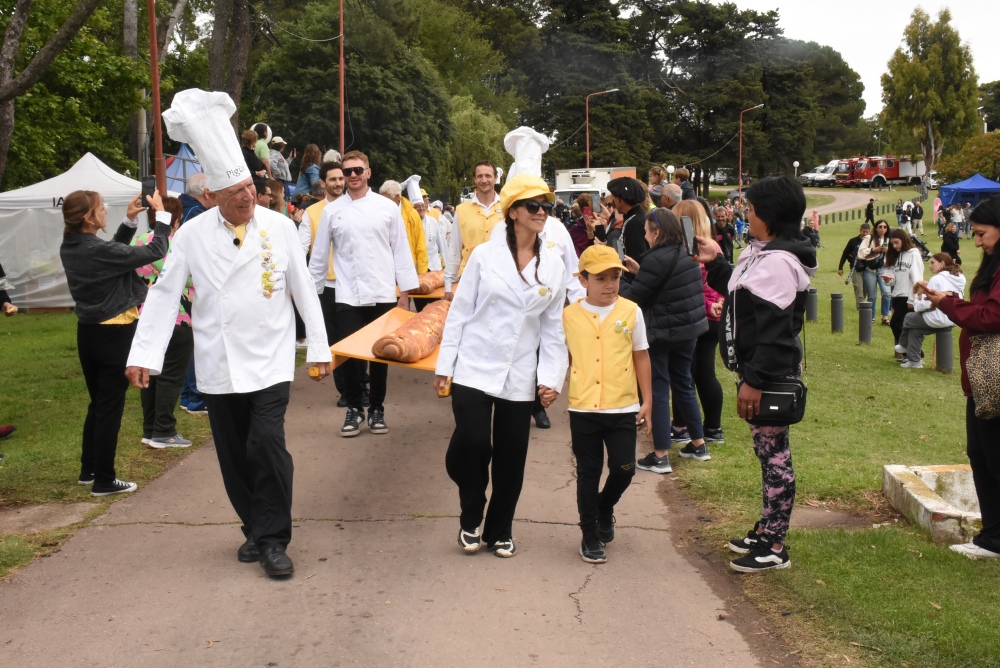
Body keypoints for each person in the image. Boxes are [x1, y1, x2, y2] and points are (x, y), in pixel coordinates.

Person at [126, 88, 332, 578]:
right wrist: (144, 355)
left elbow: (304, 291)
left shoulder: (278, 228)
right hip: (219, 364)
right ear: (212, 196)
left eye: (249, 189)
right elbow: (162, 293)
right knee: (235, 455)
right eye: (234, 193)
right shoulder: (192, 235)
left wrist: (320, 348)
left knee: (266, 443)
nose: (246, 198)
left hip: (270, 359)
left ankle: (274, 539)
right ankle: (254, 531)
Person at [434, 173, 568, 558]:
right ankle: (471, 511)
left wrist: (551, 378)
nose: (542, 212)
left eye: (547, 206)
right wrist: (446, 364)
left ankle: (501, 527)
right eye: (534, 206)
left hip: (520, 371)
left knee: (512, 456)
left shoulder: (554, 263)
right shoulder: (484, 256)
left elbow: (553, 327)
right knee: (473, 443)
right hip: (474, 363)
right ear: (513, 213)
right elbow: (459, 313)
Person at [696, 175, 816, 572]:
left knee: (775, 456)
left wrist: (754, 381)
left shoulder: (779, 262)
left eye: (750, 209)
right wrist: (716, 264)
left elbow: (777, 333)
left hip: (770, 373)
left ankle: (774, 544)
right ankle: (766, 527)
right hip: (760, 369)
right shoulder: (765, 251)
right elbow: (742, 294)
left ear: (770, 216)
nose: (745, 215)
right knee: (767, 453)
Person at [60, 189, 170, 495]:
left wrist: (128, 221)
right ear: (88, 217)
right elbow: (155, 250)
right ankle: (105, 480)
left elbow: (109, 256)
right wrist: (161, 216)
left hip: (89, 333)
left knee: (99, 404)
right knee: (110, 408)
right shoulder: (93, 249)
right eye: (101, 208)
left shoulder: (71, 245)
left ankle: (89, 469)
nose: (105, 211)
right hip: (114, 333)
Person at [308, 150, 419, 437]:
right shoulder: (332, 210)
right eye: (348, 172)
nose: (353, 176)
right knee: (349, 355)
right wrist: (313, 295)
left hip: (383, 292)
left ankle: (378, 408)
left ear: (368, 172)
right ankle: (354, 407)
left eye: (358, 170)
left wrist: (404, 294)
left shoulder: (387, 208)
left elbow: (401, 252)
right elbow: (319, 257)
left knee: (381, 356)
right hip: (346, 294)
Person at [922, 195, 1000, 559]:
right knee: (980, 454)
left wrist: (947, 303)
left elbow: (989, 317)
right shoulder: (991, 265)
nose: (977, 241)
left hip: (995, 380)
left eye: (983, 234)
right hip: (982, 380)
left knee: (994, 456)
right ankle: (992, 536)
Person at [564, 245, 652, 563]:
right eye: (600, 278)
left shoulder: (631, 311)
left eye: (615, 277)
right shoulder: (570, 315)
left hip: (622, 405)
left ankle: (604, 507)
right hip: (584, 407)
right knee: (589, 471)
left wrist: (648, 400)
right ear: (583, 280)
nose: (609, 285)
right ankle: (589, 534)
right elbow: (563, 355)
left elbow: (640, 354)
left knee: (625, 468)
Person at [620, 207, 708, 472]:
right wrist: (640, 272)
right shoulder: (686, 253)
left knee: (658, 388)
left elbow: (635, 296)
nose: (645, 236)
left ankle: (660, 454)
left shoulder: (656, 259)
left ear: (656, 231)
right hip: (688, 331)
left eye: (646, 230)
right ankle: (698, 442)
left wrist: (621, 278)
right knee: (683, 383)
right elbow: (663, 285)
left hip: (662, 332)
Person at [131, 196, 195, 448]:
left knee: (149, 372)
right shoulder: (176, 245)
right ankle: (164, 430)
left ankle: (150, 429)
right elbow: (190, 281)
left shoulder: (138, 242)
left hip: (143, 316)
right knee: (170, 375)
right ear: (176, 220)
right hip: (176, 316)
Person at [669, 200, 726, 446]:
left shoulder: (686, 249)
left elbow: (690, 288)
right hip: (715, 316)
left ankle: (681, 425)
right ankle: (713, 427)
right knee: (705, 373)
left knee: (685, 374)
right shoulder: (713, 246)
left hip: (695, 315)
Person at [297, 161, 349, 406]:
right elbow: (300, 248)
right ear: (323, 183)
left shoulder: (356, 207)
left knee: (357, 336)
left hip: (354, 285)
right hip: (327, 286)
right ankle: (345, 390)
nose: (338, 183)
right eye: (333, 180)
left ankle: (359, 383)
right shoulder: (313, 213)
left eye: (341, 179)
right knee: (336, 340)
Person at [444, 161, 503, 298]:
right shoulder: (462, 210)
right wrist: (448, 286)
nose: (484, 180)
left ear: (495, 178)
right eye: (479, 176)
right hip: (469, 278)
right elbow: (455, 249)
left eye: (488, 176)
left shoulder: (507, 207)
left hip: (501, 277)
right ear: (474, 179)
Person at [896, 253, 965, 368]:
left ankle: (903, 345)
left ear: (942, 264)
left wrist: (918, 300)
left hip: (937, 318)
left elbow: (927, 303)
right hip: (953, 318)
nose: (930, 265)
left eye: (933, 263)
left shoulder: (936, 279)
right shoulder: (959, 278)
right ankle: (915, 362)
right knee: (915, 330)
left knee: (909, 317)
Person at [882, 229, 925, 349]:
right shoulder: (894, 255)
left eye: (896, 242)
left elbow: (917, 278)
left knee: (897, 324)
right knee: (901, 325)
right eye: (892, 244)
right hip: (896, 295)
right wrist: (887, 279)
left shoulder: (914, 254)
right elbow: (893, 279)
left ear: (903, 240)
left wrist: (912, 299)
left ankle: (911, 351)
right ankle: (905, 352)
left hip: (908, 296)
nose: (894, 246)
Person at [606, 177, 650, 275]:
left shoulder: (635, 223)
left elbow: (636, 259)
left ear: (619, 199)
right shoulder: (635, 217)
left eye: (614, 198)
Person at [858, 220, 892, 325]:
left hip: (883, 269)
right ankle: (871, 317)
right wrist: (873, 249)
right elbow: (861, 252)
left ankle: (885, 316)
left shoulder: (890, 239)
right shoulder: (869, 238)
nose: (882, 229)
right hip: (870, 269)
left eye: (885, 227)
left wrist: (888, 251)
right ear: (876, 228)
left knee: (887, 293)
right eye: (880, 226)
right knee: (872, 295)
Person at [838, 223, 870, 307]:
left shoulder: (872, 242)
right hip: (856, 268)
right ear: (860, 231)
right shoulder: (853, 241)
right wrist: (840, 267)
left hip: (868, 269)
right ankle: (861, 308)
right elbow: (845, 254)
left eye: (867, 232)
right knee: (858, 288)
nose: (865, 234)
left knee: (865, 290)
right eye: (863, 232)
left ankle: (861, 304)